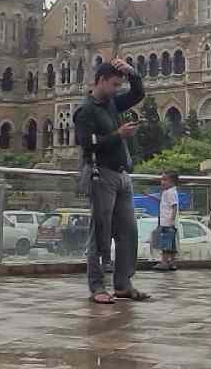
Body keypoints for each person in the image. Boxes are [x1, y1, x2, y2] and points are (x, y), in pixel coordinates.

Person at [75, 58, 149, 304]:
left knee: (128, 230)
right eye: (115, 84)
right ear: (101, 81)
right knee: (100, 232)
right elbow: (87, 144)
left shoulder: (111, 104)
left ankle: (123, 284)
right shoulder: (85, 111)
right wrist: (119, 134)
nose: (118, 89)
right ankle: (97, 286)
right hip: (101, 174)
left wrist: (131, 73)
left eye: (120, 84)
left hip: (122, 175)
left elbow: (138, 93)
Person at [153, 171, 180, 272]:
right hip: (167, 223)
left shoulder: (171, 192)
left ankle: (164, 262)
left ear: (172, 182)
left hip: (168, 223)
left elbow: (174, 206)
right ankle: (172, 262)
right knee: (171, 244)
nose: (162, 182)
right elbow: (162, 201)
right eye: (161, 179)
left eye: (165, 179)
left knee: (165, 244)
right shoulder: (167, 192)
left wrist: (172, 220)